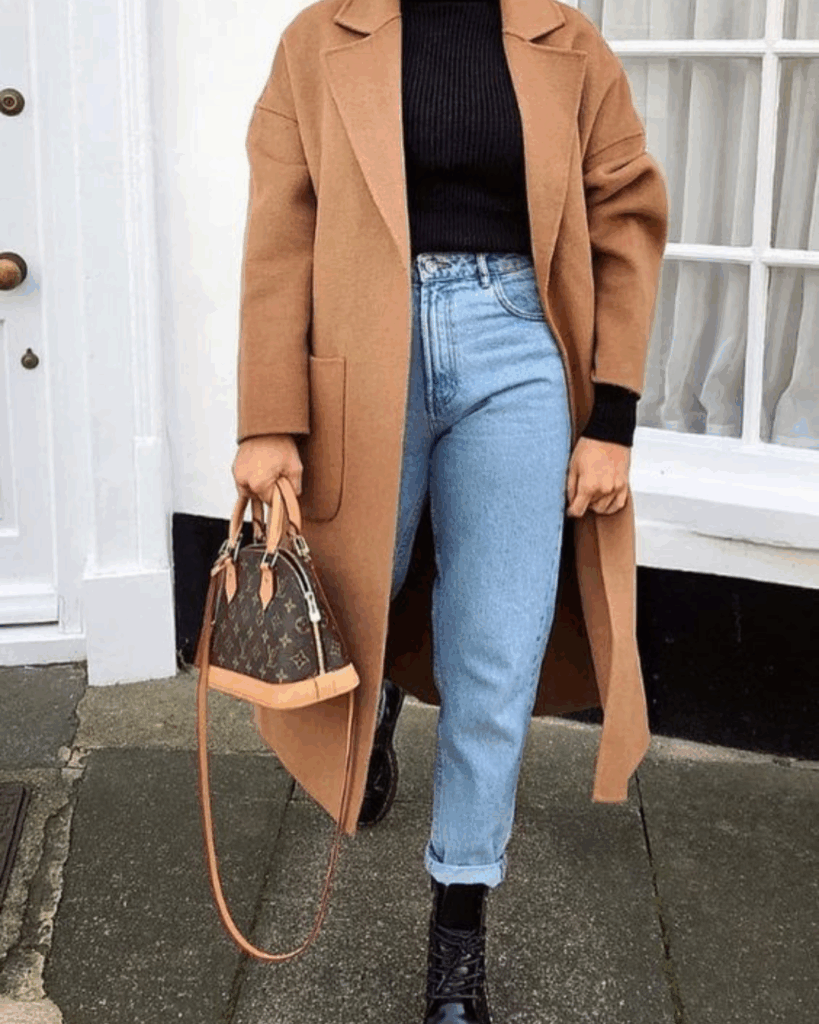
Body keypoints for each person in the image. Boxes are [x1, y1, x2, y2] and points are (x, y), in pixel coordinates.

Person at [232, 0, 668, 1021]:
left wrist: (614, 417)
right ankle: (379, 697)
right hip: (358, 349)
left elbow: (626, 217)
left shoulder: (565, 40)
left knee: (497, 650)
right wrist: (267, 418)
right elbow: (279, 232)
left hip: (518, 343)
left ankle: (459, 930)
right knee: (349, 600)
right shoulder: (317, 39)